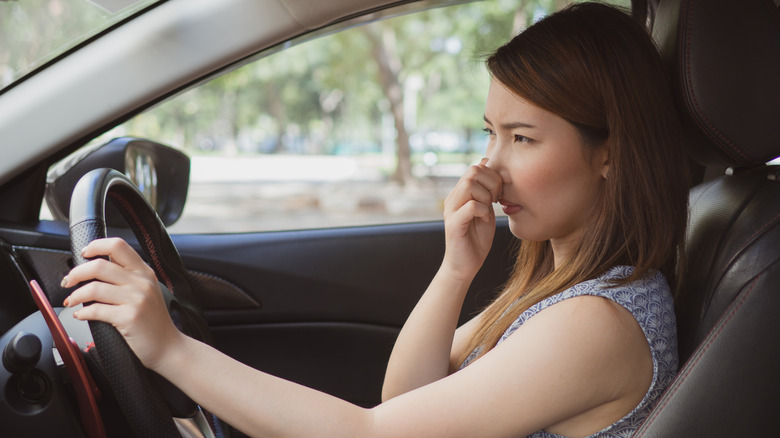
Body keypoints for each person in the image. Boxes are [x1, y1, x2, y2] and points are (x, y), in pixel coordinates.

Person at [61, 2, 689, 437]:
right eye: (490, 133)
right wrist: (454, 270)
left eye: (522, 139)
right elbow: (405, 401)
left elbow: (375, 430)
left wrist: (171, 349)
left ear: (609, 152)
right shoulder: (557, 290)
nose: (489, 167)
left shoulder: (597, 322)